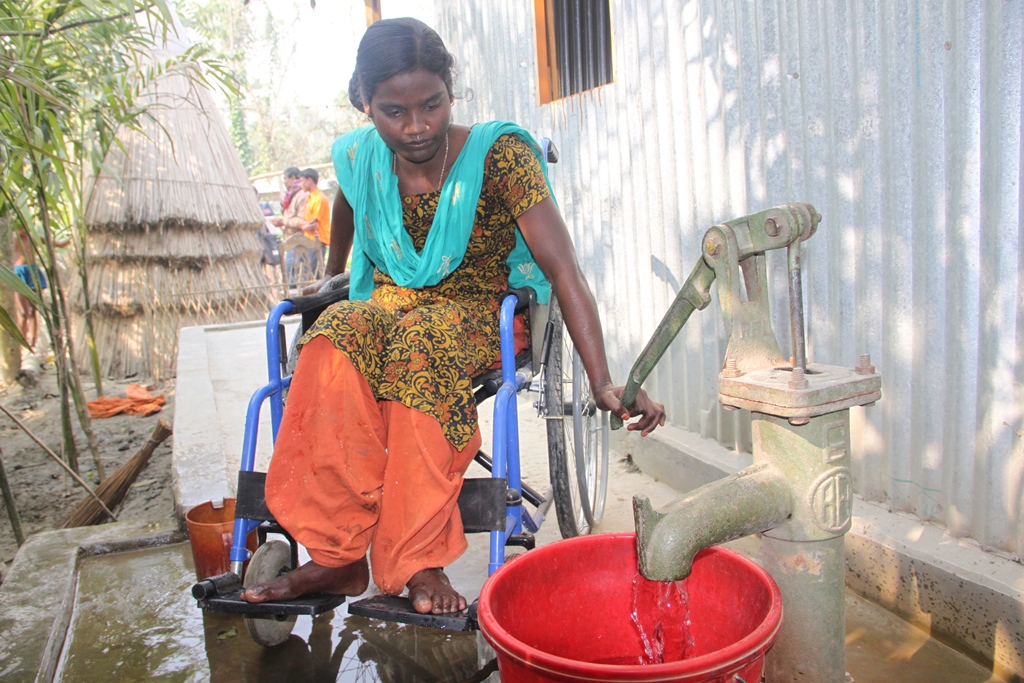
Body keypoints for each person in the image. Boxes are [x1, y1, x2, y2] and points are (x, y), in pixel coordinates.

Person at [241, 17, 665, 616]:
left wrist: (600, 382)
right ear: (366, 104)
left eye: (431, 105)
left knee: (421, 342)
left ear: (450, 90)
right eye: (394, 111)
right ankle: (336, 555)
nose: (416, 127)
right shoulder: (361, 157)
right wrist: (333, 272)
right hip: (384, 307)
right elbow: (346, 204)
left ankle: (417, 558)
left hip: (475, 312)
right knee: (330, 339)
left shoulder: (500, 155)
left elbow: (563, 269)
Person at [299, 167, 331, 269]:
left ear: (309, 180)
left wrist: (301, 226)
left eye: (302, 181)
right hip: (309, 241)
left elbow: (313, 225)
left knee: (315, 275)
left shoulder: (319, 198)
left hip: (317, 242)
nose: (301, 184)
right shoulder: (310, 198)